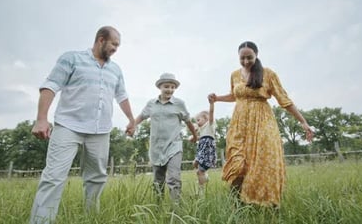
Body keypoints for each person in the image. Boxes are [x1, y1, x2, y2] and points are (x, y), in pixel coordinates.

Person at [30, 26, 135, 224]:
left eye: (118, 46)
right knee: (53, 177)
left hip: (100, 131)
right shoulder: (72, 59)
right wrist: (42, 118)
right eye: (114, 44)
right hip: (68, 126)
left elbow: (122, 96)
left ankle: (91, 218)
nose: (116, 49)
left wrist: (131, 119)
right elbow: (50, 85)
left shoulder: (115, 69)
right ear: (101, 39)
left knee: (97, 178)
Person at [208, 41, 313, 208]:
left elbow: (284, 100)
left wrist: (303, 122)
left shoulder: (268, 74)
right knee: (237, 161)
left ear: (256, 55)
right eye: (242, 58)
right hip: (239, 123)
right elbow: (235, 95)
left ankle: (267, 203)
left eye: (249, 57)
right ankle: (237, 204)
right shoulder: (235, 74)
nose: (246, 61)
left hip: (262, 122)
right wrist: (217, 98)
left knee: (262, 160)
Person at [127, 73, 198, 203]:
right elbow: (141, 116)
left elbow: (188, 121)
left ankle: (175, 211)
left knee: (173, 179)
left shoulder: (179, 104)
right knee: (158, 181)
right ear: (160, 87)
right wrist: (132, 126)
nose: (170, 89)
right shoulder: (151, 104)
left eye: (172, 87)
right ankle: (158, 208)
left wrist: (194, 135)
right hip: (156, 148)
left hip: (174, 146)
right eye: (166, 86)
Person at [192, 100, 217, 196]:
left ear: (206, 119)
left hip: (207, 152)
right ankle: (205, 177)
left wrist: (211, 104)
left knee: (199, 171)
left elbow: (211, 113)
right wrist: (193, 137)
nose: (197, 122)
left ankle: (200, 191)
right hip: (202, 151)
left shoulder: (209, 126)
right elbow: (200, 138)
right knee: (197, 167)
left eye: (198, 120)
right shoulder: (202, 130)